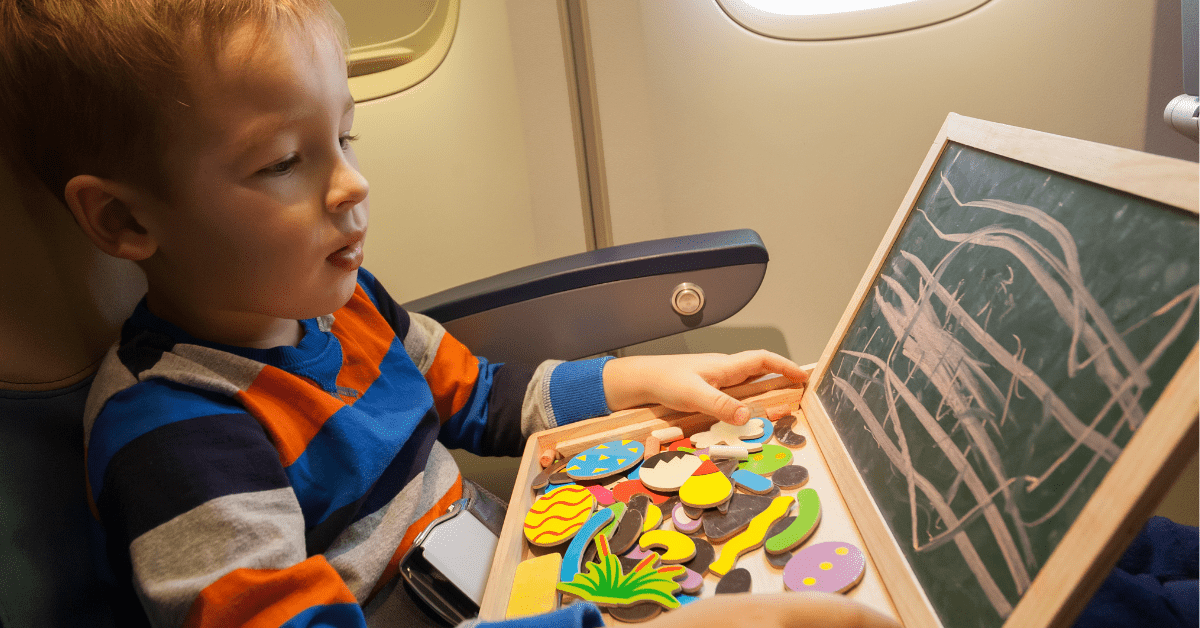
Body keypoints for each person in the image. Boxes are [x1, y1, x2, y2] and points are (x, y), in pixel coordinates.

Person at [0, 1, 900, 627]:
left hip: (509, 571)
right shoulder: (178, 434)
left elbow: (483, 397)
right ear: (124, 220)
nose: (351, 185)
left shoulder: (344, 305)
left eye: (345, 137)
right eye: (283, 162)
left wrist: (645, 379)